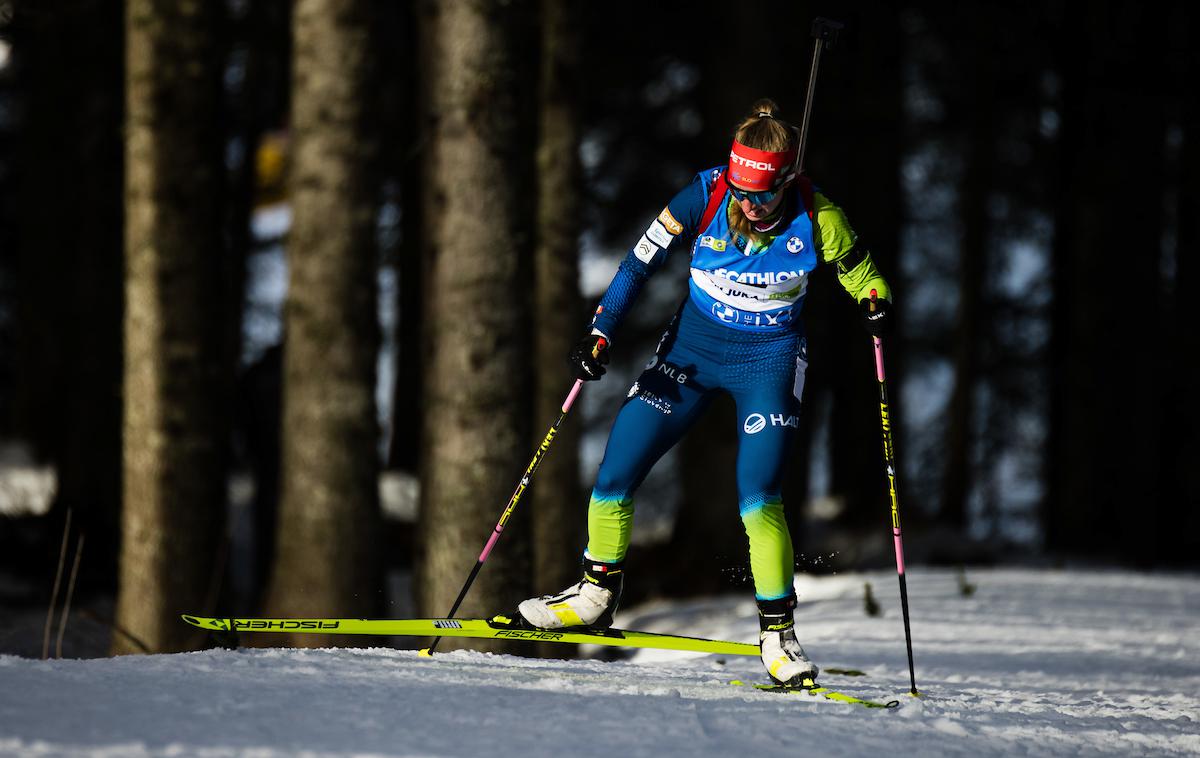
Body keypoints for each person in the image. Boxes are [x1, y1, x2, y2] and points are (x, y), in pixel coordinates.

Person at [517, 99, 893, 686]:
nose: (748, 204)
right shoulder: (705, 196)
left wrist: (874, 300)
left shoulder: (820, 218)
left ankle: (778, 636)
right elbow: (638, 264)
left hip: (769, 360)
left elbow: (860, 273)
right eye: (742, 191)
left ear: (787, 181)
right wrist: (601, 330)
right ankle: (595, 595)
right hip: (692, 352)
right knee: (618, 466)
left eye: (762, 195)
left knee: (757, 495)